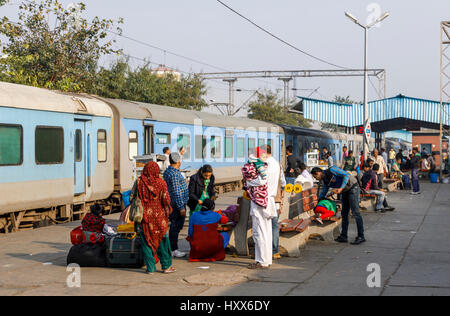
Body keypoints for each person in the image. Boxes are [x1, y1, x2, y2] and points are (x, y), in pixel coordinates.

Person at [134, 162, 176, 274]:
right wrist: (168, 211)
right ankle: (166, 266)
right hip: (159, 219)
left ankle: (150, 268)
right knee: (163, 240)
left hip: (145, 218)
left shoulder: (139, 182)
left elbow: (132, 197)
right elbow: (166, 200)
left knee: (146, 241)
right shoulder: (161, 183)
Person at [311, 166, 365, 245]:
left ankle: (361, 236)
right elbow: (324, 190)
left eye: (315, 176)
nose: (316, 179)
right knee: (344, 213)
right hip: (344, 191)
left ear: (318, 173)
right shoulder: (325, 180)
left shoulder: (332, 170)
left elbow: (346, 175)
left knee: (356, 213)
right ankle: (344, 236)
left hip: (353, 188)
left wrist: (340, 188)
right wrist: (320, 200)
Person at [242, 148, 277, 269]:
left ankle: (261, 261)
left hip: (260, 203)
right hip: (268, 201)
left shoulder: (262, 166)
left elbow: (262, 180)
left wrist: (248, 183)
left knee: (259, 232)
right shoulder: (274, 164)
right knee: (266, 232)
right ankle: (266, 260)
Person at [163, 152, 189, 258]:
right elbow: (177, 191)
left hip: (172, 204)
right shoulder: (174, 174)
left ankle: (172, 248)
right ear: (178, 161)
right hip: (177, 205)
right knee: (175, 227)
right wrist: (181, 207)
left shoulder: (168, 171)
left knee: (174, 227)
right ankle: (173, 249)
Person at [261, 145, 282, 260]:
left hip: (265, 200)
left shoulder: (265, 165)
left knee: (264, 227)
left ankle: (266, 252)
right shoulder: (277, 164)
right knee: (274, 226)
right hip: (276, 200)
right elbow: (283, 182)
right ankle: (275, 251)